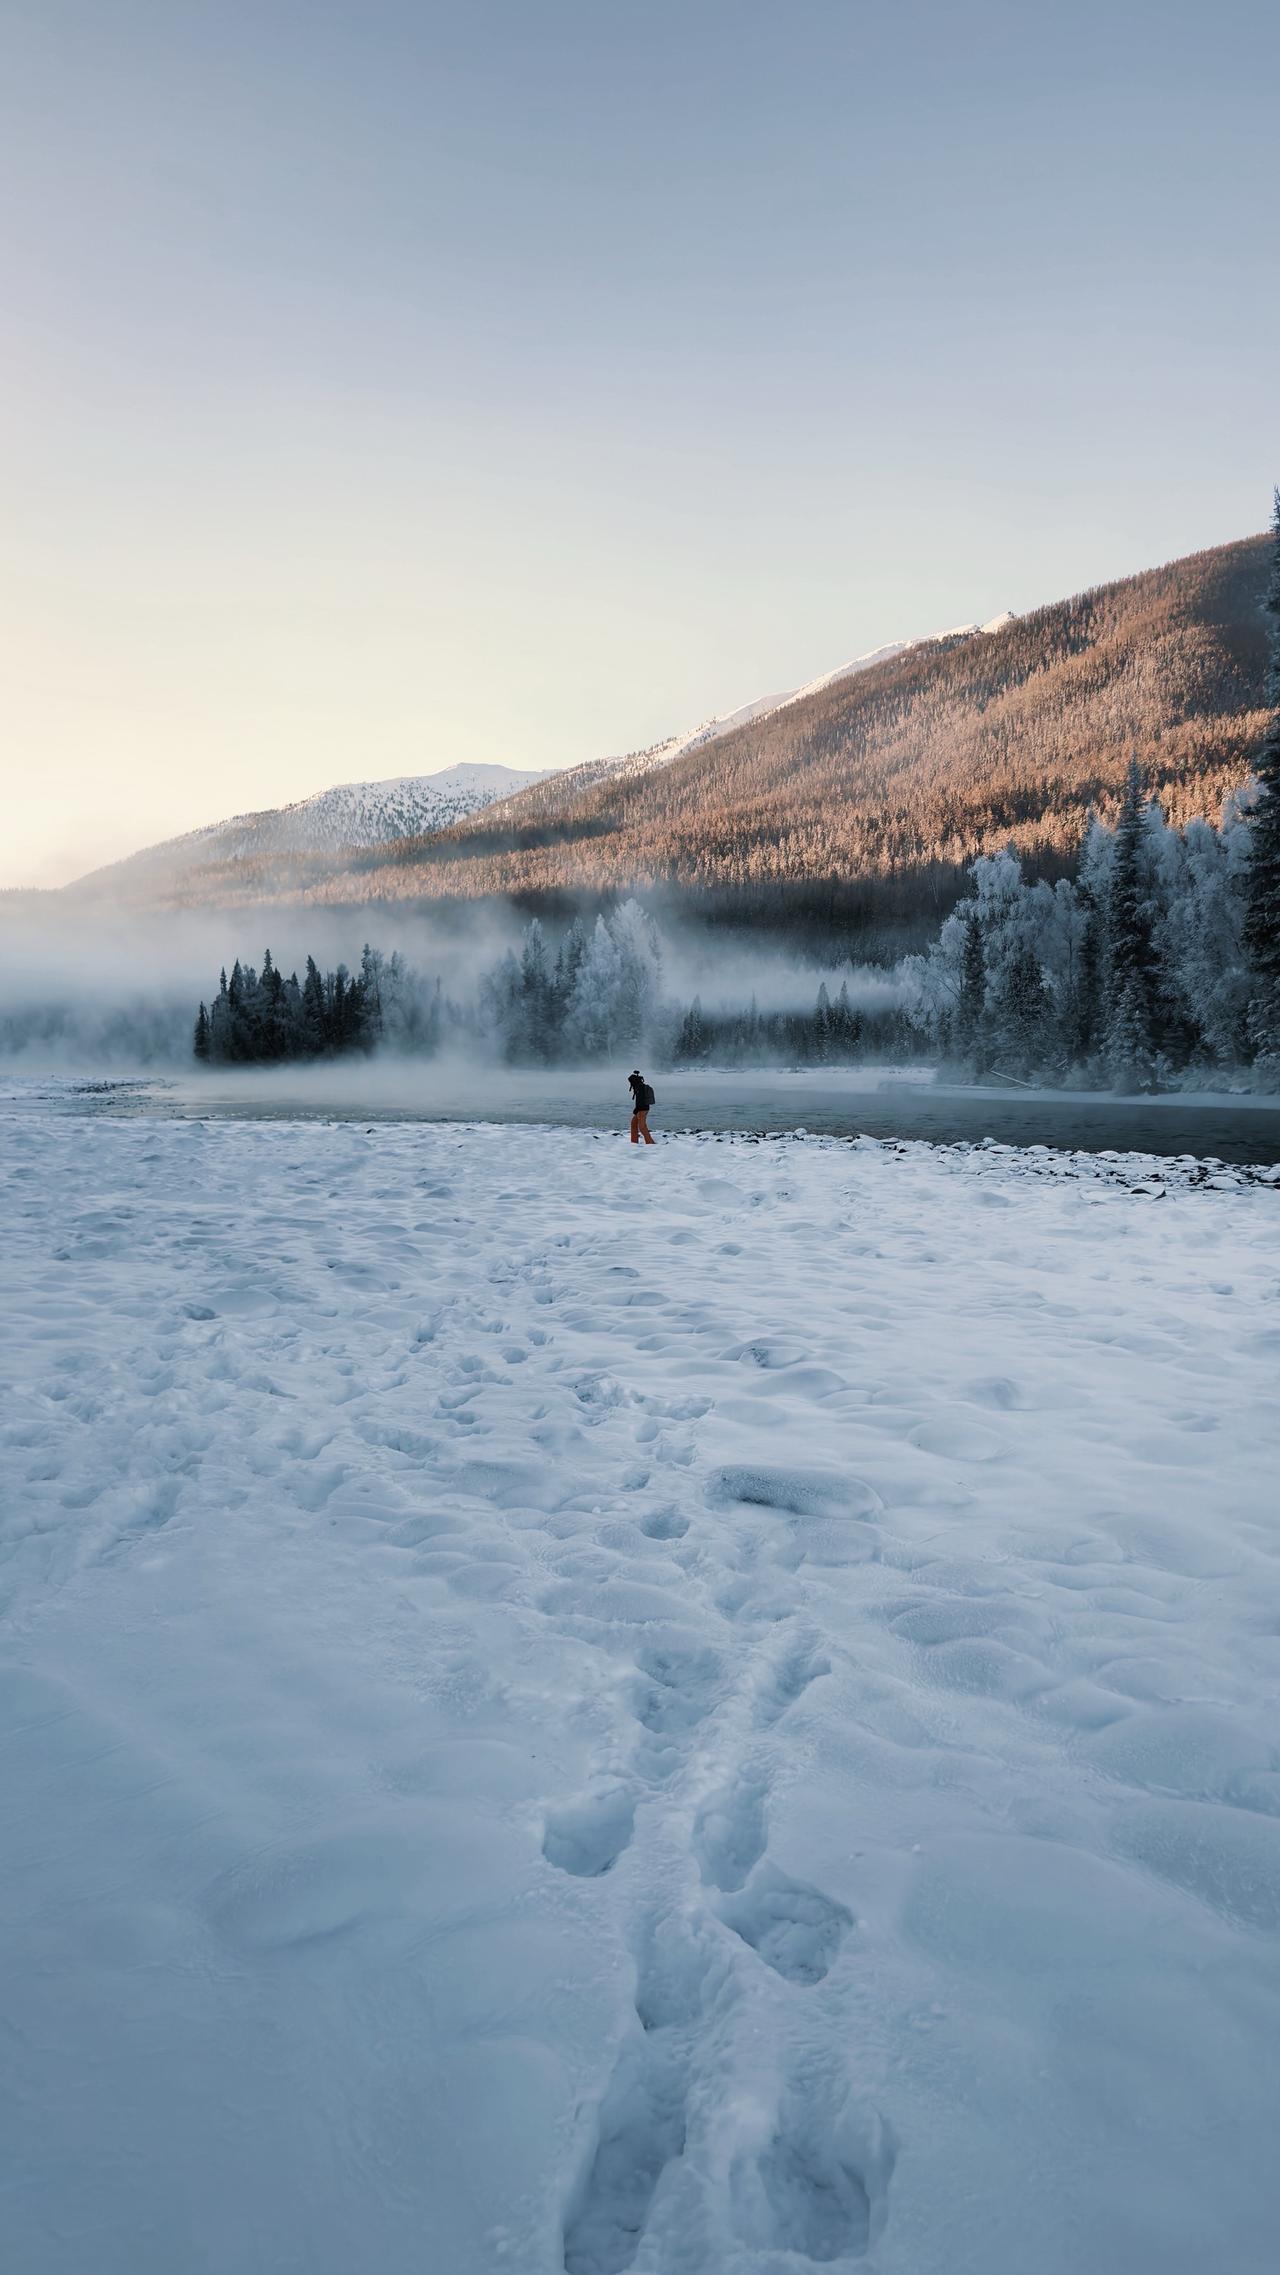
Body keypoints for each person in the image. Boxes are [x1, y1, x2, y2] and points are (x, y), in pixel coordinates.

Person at [628, 1068, 656, 1145]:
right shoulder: (639, 1086)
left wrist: (636, 1110)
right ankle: (634, 1142)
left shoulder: (639, 1088)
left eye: (631, 1082)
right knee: (634, 1123)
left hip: (642, 1109)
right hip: (642, 1109)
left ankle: (650, 1143)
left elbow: (640, 1101)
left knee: (642, 1127)